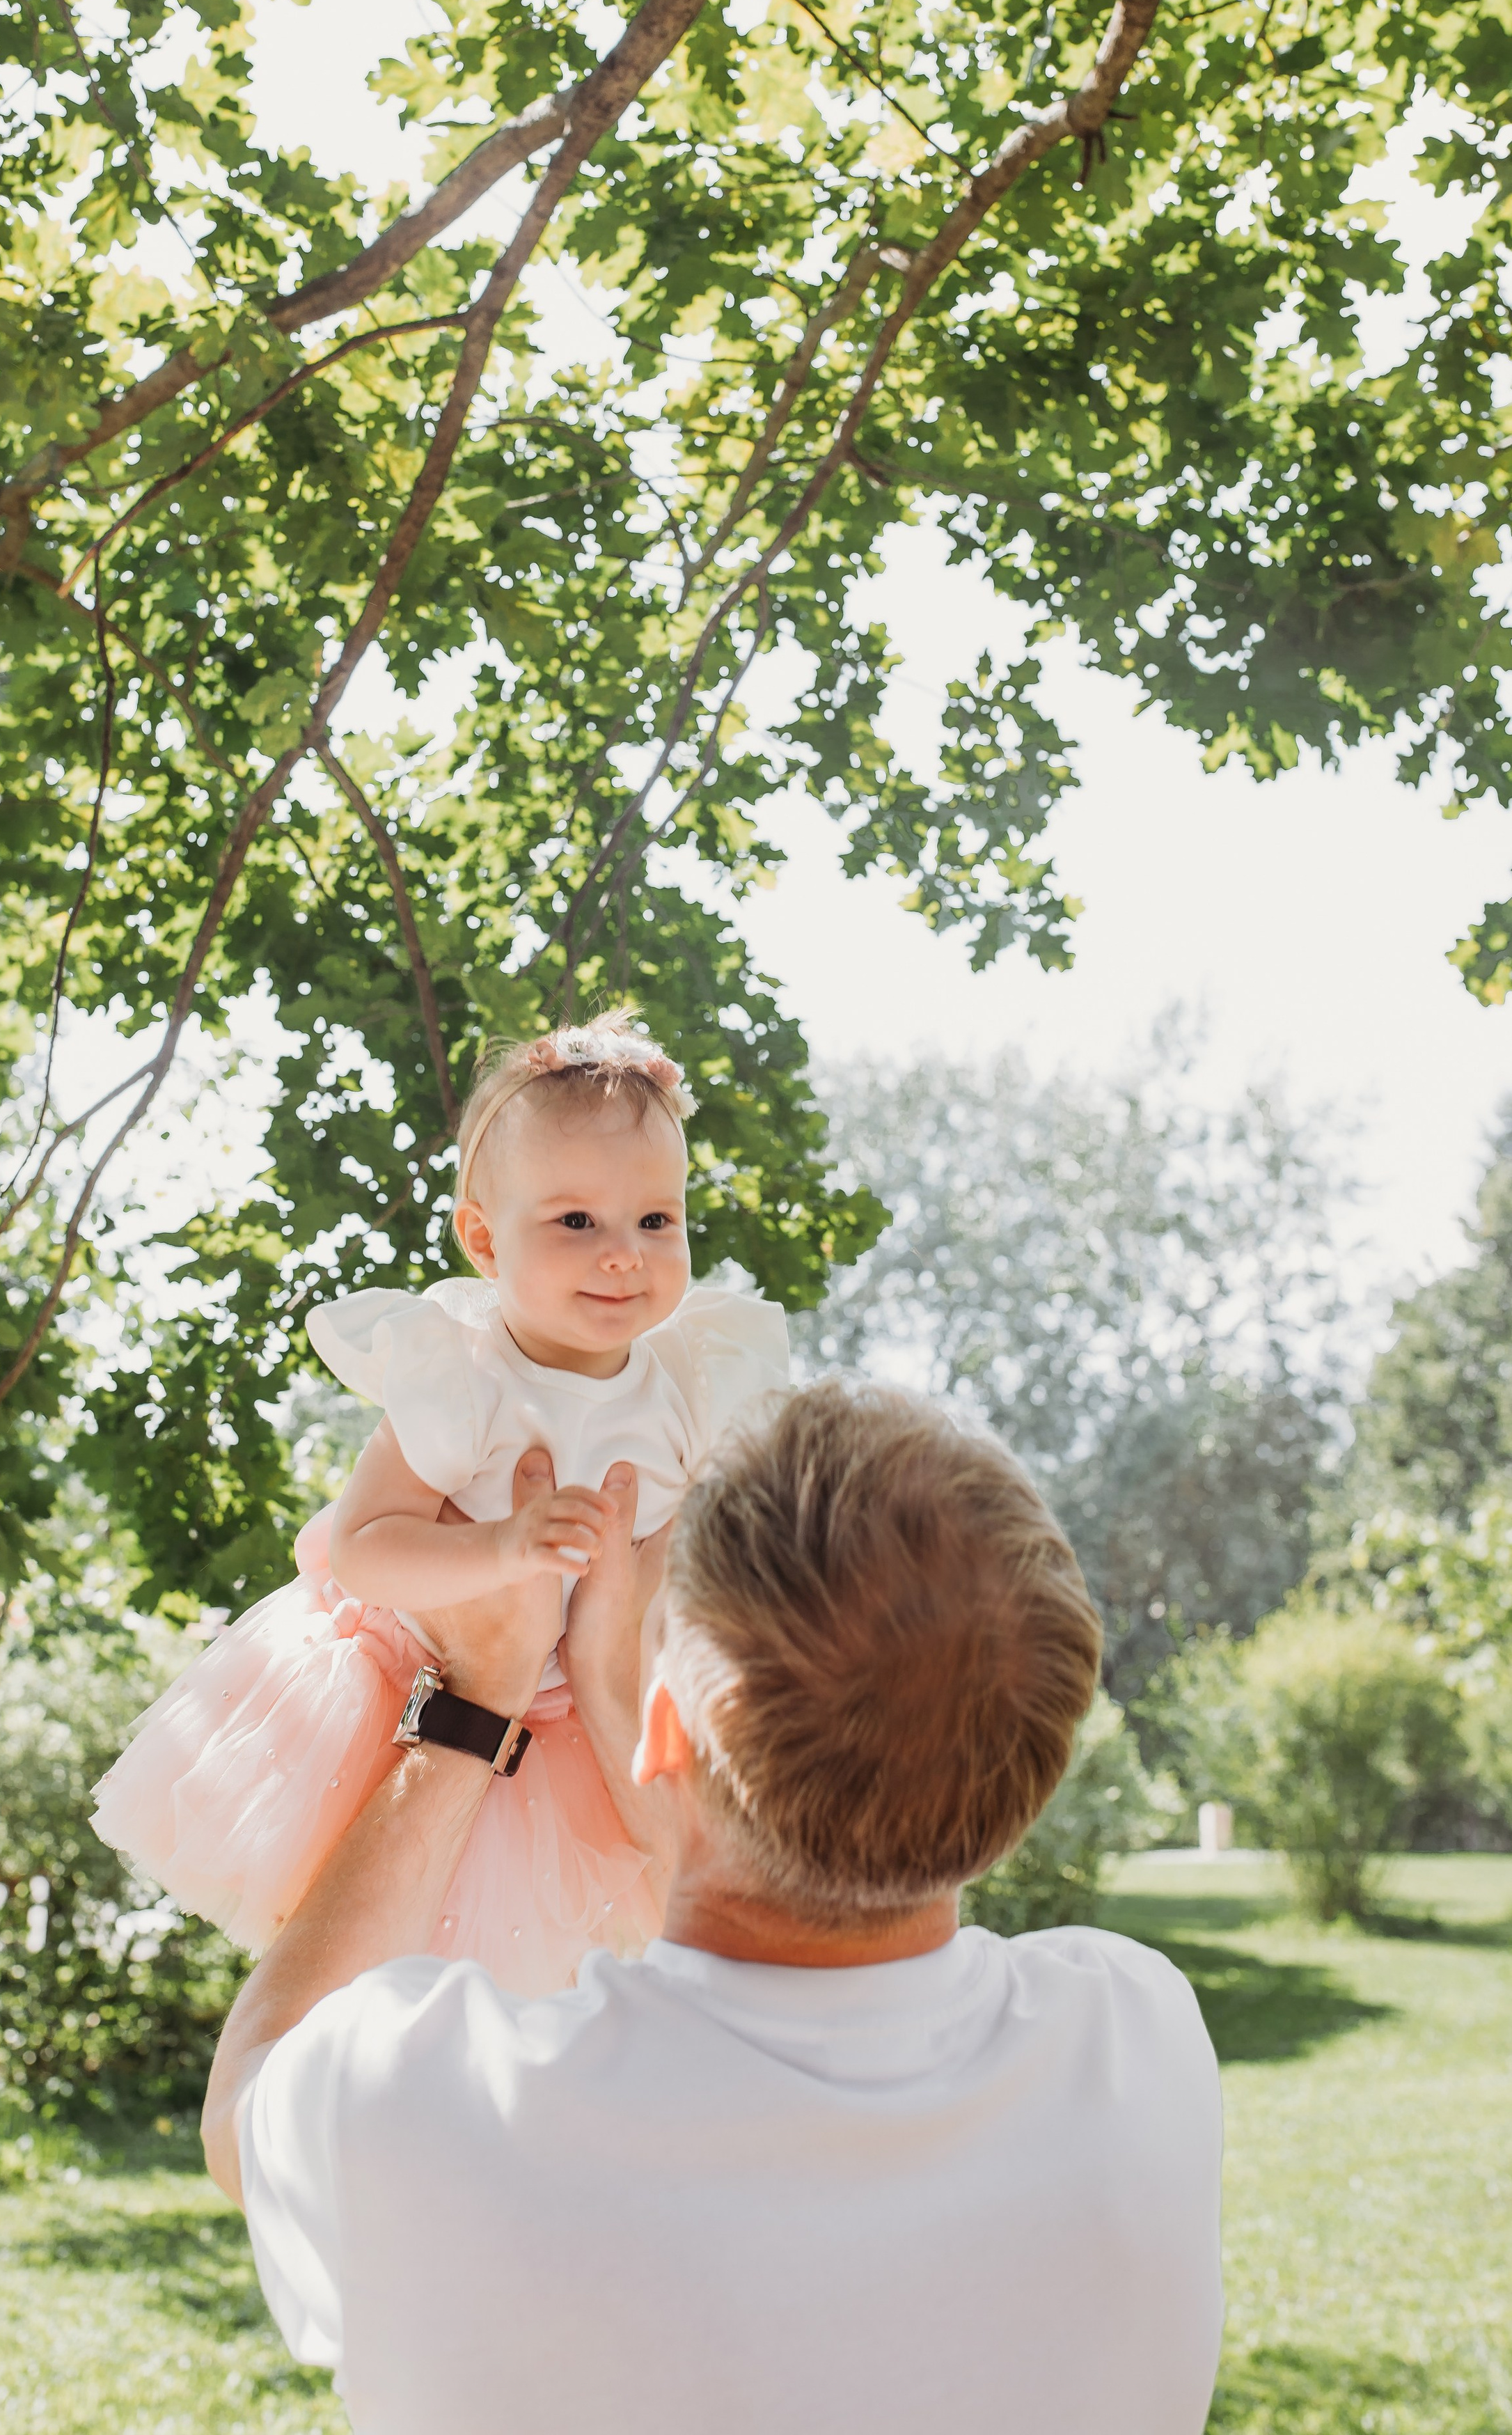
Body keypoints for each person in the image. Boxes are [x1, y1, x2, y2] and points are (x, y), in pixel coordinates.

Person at [202, 1378, 1225, 2435]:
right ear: (1041, 1759)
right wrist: (618, 1679)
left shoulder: (440, 2107)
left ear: (668, 1731)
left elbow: (248, 2095)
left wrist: (482, 1696)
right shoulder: (1135, 2039)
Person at [92, 1010, 788, 1989]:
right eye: (576, 1221)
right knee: (378, 1945)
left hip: (574, 1728)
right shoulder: (463, 1377)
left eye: (657, 1220)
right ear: (482, 1239)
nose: (625, 1253)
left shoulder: (688, 1391)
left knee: (537, 1968)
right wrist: (504, 1547)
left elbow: (661, 1585)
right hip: (408, 1691)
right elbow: (366, 1548)